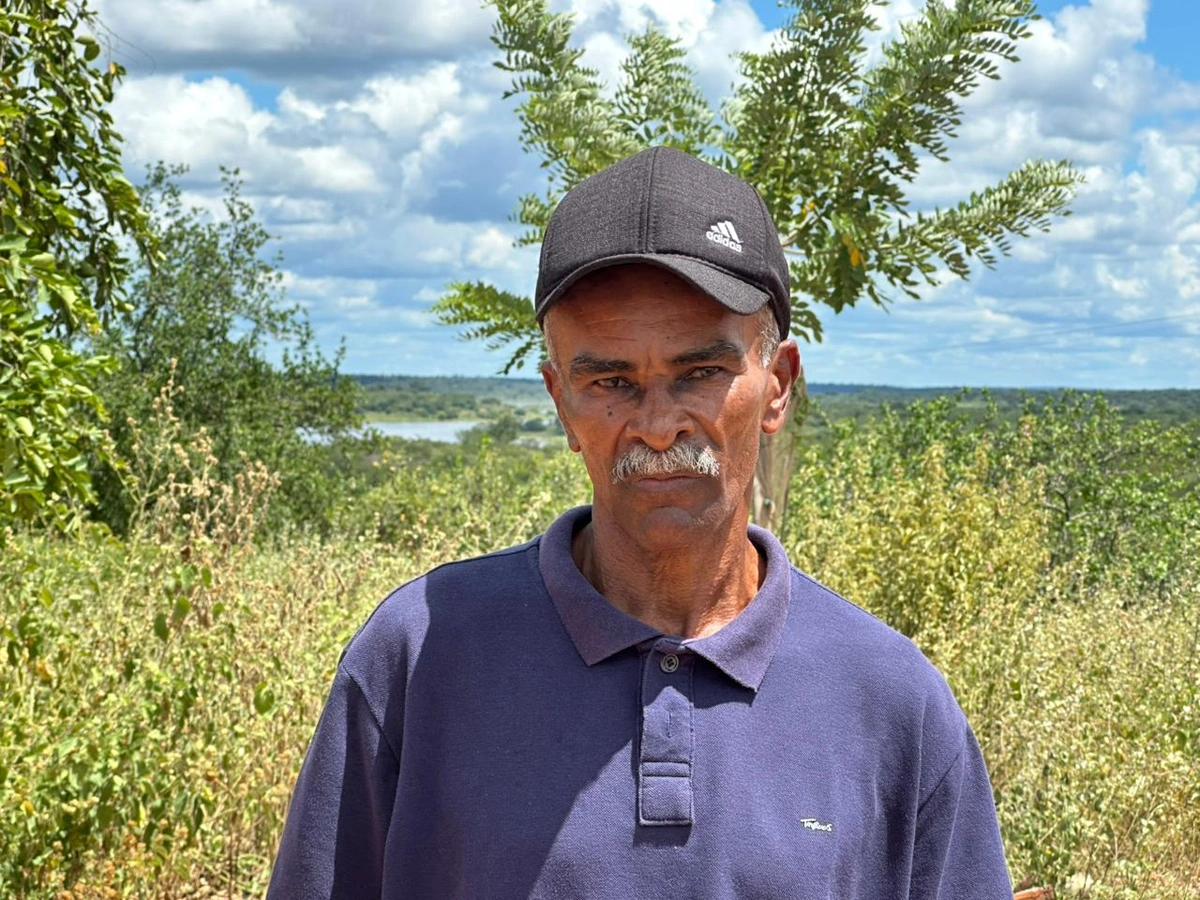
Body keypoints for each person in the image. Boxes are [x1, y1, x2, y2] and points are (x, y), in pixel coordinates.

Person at [266, 147, 1013, 899]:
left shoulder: (889, 699)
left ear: (778, 387)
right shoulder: (420, 657)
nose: (658, 426)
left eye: (700, 373)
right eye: (612, 381)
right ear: (561, 402)